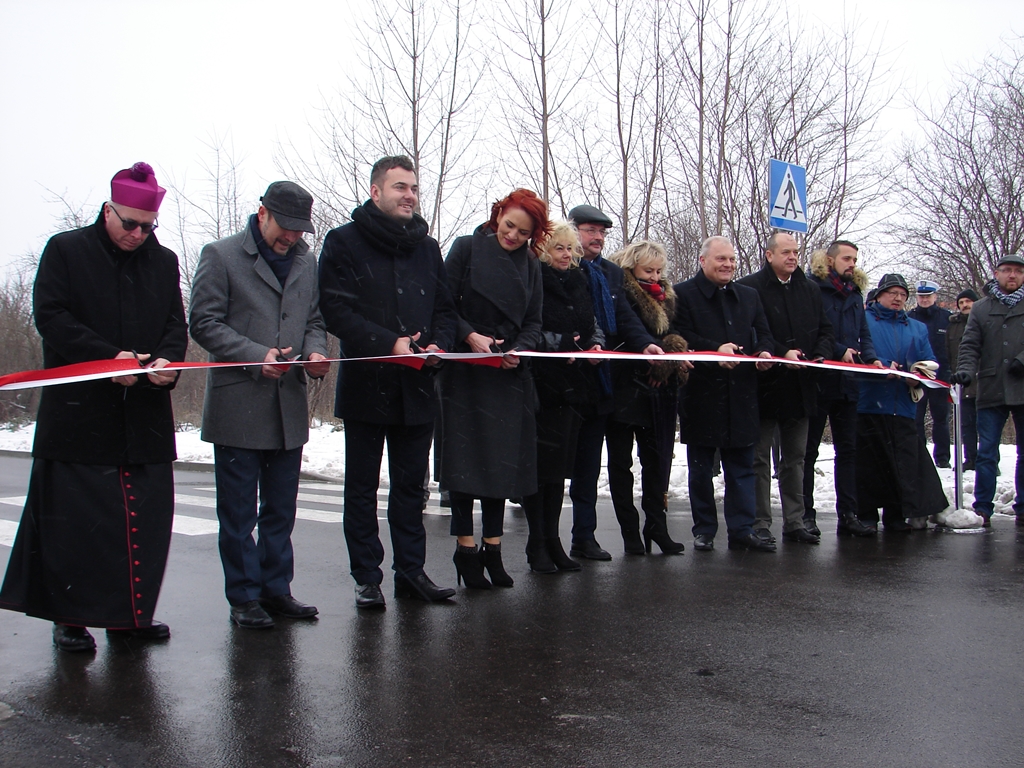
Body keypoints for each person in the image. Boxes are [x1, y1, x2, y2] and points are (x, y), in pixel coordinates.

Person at [0, 162, 187, 652]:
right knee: (79, 529)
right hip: (81, 417)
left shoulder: (164, 262)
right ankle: (71, 617)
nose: (138, 234)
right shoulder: (66, 251)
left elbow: (175, 323)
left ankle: (130, 615)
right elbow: (51, 316)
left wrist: (168, 361)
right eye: (130, 224)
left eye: (148, 227)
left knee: (144, 521)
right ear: (108, 211)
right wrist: (104, 359)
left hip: (142, 418)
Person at [318, 155, 458, 607]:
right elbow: (337, 310)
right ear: (376, 191)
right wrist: (389, 342)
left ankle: (411, 572)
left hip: (417, 386)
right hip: (367, 383)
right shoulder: (342, 242)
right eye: (400, 187)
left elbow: (443, 308)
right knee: (361, 487)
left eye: (413, 188)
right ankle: (367, 577)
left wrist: (437, 344)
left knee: (411, 487)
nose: (409, 196)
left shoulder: (427, 247)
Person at [189, 181, 330, 629]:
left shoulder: (307, 262)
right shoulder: (221, 254)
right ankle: (243, 596)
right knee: (237, 513)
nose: (291, 238)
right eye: (285, 227)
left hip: (288, 405)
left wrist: (314, 353)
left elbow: (314, 320)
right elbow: (203, 322)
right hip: (239, 404)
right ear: (262, 213)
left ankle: (276, 589)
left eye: (299, 230)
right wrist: (255, 356)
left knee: (280, 510)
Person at [436, 188, 549, 589]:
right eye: (509, 226)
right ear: (497, 215)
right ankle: (466, 550)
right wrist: (470, 337)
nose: (513, 236)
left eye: (523, 232)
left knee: (500, 465)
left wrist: (520, 349)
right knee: (467, 465)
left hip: (507, 374)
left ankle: (494, 548)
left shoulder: (532, 265)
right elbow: (444, 305)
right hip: (466, 372)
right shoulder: (466, 248)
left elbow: (535, 320)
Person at [566, 205, 662, 561]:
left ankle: (583, 536)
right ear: (573, 231)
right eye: (591, 230)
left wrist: (644, 343)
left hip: (600, 382)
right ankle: (542, 540)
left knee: (589, 467)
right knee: (556, 467)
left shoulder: (610, 273)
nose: (598, 238)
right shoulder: (560, 266)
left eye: (603, 232)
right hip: (565, 379)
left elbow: (623, 316)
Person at [672, 236, 777, 552]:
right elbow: (679, 335)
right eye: (721, 259)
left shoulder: (748, 296)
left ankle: (742, 529)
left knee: (742, 468)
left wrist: (765, 353)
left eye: (731, 259)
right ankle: (704, 529)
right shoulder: (683, 295)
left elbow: (764, 334)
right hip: (703, 395)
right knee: (702, 471)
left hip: (742, 395)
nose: (728, 265)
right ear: (703, 261)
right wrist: (712, 349)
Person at [737, 232, 834, 546]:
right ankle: (760, 522)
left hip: (801, 386)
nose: (792, 257)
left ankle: (795, 520)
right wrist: (780, 353)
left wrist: (818, 353)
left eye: (796, 252)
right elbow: (749, 332)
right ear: (769, 255)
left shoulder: (809, 289)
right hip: (764, 385)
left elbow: (825, 329)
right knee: (759, 459)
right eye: (786, 252)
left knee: (795, 458)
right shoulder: (750, 288)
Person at [521, 222, 604, 573]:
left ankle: (553, 541)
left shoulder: (578, 279)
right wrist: (559, 344)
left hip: (573, 385)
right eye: (559, 248)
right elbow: (529, 328)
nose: (567, 255)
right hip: (542, 385)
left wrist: (595, 342)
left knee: (558, 474)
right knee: (539, 471)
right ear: (544, 250)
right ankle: (536, 542)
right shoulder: (534, 278)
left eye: (570, 249)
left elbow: (591, 321)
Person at [606, 241, 690, 554]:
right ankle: (630, 531)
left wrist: (670, 359)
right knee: (620, 463)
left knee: (656, 462)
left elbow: (676, 333)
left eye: (658, 270)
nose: (654, 276)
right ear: (631, 267)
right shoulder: (622, 291)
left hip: (660, 389)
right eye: (648, 270)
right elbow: (623, 333)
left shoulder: (668, 295)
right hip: (625, 387)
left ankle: (656, 525)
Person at [856, 274, 947, 531]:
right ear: (879, 295)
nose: (898, 299)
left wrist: (918, 376)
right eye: (892, 293)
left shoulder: (917, 327)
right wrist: (881, 365)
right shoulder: (864, 321)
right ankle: (866, 516)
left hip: (903, 405)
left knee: (902, 464)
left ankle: (896, 516)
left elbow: (930, 361)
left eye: (903, 295)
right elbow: (856, 355)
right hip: (869, 402)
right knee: (870, 465)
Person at [803, 242, 881, 537]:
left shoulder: (855, 294)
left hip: (849, 382)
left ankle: (848, 514)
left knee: (848, 451)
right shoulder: (814, 288)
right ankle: (806, 515)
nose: (852, 264)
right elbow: (812, 330)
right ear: (830, 260)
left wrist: (871, 358)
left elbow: (863, 333)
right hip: (820, 380)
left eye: (855, 259)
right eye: (847, 258)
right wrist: (838, 351)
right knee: (808, 452)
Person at [953, 254, 1024, 527]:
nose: (1012, 276)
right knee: (986, 453)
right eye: (1007, 271)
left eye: (1018, 271)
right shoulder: (981, 308)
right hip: (991, 387)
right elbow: (970, 345)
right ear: (997, 274)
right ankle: (983, 507)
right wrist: (967, 372)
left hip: (1022, 386)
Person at [909, 280, 953, 467]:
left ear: (935, 297)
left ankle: (942, 457)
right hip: (917, 375)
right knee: (916, 418)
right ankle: (919, 455)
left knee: (940, 419)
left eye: (928, 296)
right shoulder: (909, 318)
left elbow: (952, 347)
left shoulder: (947, 318)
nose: (925, 300)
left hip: (941, 376)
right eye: (921, 296)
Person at [946, 288, 979, 470]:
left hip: (984, 381)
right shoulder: (953, 325)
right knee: (966, 424)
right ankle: (970, 458)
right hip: (962, 382)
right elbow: (949, 353)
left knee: (986, 424)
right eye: (961, 302)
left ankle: (990, 460)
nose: (965, 305)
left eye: (968, 301)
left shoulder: (984, 321)